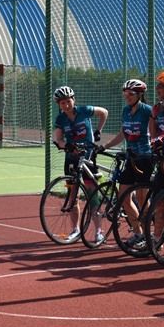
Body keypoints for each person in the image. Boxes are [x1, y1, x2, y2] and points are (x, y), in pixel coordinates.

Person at [52, 85, 109, 242]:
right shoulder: (60, 119)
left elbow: (104, 112)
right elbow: (58, 138)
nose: (66, 105)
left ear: (73, 100)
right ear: (59, 104)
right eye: (62, 103)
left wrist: (98, 130)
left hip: (88, 155)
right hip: (71, 158)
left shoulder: (85, 110)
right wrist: (66, 145)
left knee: (92, 194)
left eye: (68, 101)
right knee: (72, 195)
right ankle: (75, 229)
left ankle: (98, 231)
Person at [102, 78, 154, 248]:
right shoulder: (125, 111)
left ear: (139, 94)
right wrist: (104, 146)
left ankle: (149, 235)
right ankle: (139, 233)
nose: (127, 97)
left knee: (142, 198)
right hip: (131, 158)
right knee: (123, 197)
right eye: (125, 93)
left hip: (145, 158)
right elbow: (122, 134)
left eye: (130, 94)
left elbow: (154, 132)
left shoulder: (147, 111)